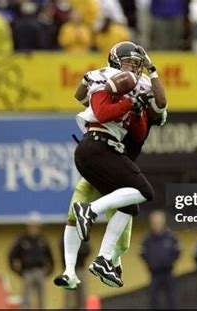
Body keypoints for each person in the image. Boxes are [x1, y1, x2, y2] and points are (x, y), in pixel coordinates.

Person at [56, 41, 167, 289]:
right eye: (129, 62)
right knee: (142, 193)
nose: (133, 68)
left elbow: (158, 107)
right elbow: (88, 101)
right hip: (100, 147)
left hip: (101, 153)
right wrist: (122, 95)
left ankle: (102, 262)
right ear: (115, 61)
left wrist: (150, 76)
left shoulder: (142, 99)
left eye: (137, 65)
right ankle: (92, 219)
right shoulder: (107, 77)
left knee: (128, 207)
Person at [8, 216, 54, 309]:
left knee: (41, 297)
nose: (34, 228)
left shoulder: (42, 240)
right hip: (27, 271)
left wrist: (49, 271)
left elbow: (50, 256)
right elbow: (12, 256)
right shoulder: (22, 240)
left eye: (36, 226)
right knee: (26, 298)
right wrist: (18, 271)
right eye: (31, 226)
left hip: (40, 271)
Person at [140, 210, 180, 309]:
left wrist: (169, 262)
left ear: (163, 221)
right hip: (154, 274)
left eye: (159, 221)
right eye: (155, 221)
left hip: (168, 273)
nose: (157, 223)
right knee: (153, 300)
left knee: (171, 299)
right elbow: (142, 253)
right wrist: (151, 264)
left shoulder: (171, 236)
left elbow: (177, 252)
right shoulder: (147, 238)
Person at [60, 231, 91, 308]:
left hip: (80, 268)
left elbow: (87, 250)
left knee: (82, 293)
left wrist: (76, 251)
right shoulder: (65, 236)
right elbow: (64, 251)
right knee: (69, 294)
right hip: (69, 270)